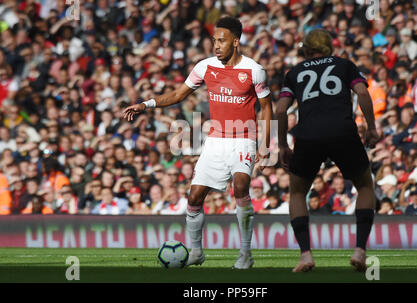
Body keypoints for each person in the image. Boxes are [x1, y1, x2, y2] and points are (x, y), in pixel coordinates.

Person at [122, 17, 273, 269]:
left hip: (244, 138)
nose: (215, 45)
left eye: (221, 41)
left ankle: (245, 254)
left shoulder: (254, 70)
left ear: (236, 42)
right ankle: (196, 252)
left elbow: (266, 108)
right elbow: (179, 95)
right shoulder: (204, 67)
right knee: (194, 197)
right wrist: (145, 104)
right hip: (215, 140)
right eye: (214, 40)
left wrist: (265, 146)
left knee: (241, 186)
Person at [276, 29, 379, 272]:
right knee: (364, 185)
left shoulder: (295, 73)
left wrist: (282, 145)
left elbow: (280, 110)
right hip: (343, 131)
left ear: (307, 50)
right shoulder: (345, 65)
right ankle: (360, 251)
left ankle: (305, 256)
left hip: (308, 135)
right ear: (328, 48)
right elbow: (362, 92)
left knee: (298, 192)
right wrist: (371, 128)